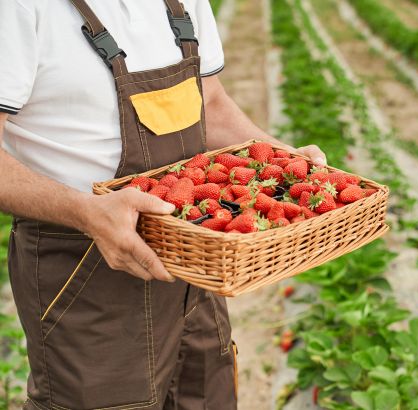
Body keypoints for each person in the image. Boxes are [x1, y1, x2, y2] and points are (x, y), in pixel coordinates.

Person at [0, 0, 326, 408]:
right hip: (85, 269)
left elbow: (213, 105)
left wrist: (288, 161)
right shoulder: (19, 8)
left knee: (206, 393)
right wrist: (88, 212)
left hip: (193, 253)